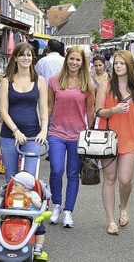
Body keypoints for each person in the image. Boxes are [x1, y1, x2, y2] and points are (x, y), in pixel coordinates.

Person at [95, 50, 134, 236]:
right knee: (109, 179)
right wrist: (113, 110)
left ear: (129, 66)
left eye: (122, 63)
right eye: (116, 63)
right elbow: (99, 111)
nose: (118, 66)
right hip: (108, 138)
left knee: (125, 180)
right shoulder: (106, 86)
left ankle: (123, 206)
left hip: (130, 138)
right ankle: (110, 220)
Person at [47, 46, 94, 228]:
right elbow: (49, 107)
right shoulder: (54, 81)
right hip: (56, 132)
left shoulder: (87, 84)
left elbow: (90, 110)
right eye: (72, 59)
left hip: (78, 135)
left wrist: (90, 133)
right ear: (66, 59)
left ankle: (68, 211)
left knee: (73, 174)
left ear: (82, 63)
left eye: (78, 60)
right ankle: (57, 205)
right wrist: (44, 128)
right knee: (56, 170)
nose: (74, 62)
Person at [0, 42, 48, 183]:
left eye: (29, 55)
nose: (25, 58)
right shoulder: (7, 80)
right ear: (15, 58)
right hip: (9, 135)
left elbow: (44, 108)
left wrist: (44, 130)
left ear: (33, 58)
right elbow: (3, 110)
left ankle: (27, 204)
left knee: (28, 179)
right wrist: (16, 131)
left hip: (33, 134)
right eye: (22, 55)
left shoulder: (40, 80)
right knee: (11, 177)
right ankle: (11, 204)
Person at [0, 171, 47, 256]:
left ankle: (39, 246)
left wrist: (32, 199)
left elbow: (39, 205)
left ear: (25, 188)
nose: (13, 187)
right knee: (2, 224)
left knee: (40, 228)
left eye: (16, 185)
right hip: (14, 215)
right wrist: (10, 198)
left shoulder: (33, 194)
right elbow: (8, 205)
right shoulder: (14, 194)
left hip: (31, 217)